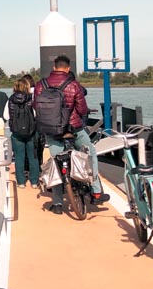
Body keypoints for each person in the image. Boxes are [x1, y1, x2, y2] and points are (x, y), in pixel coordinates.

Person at [35, 55, 110, 214]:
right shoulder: (74, 85)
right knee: (90, 152)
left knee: (56, 163)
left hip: (51, 130)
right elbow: (82, 109)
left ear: (54, 67)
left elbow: (36, 106)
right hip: (73, 128)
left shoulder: (40, 85)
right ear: (68, 68)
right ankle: (96, 190)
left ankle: (56, 204)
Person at [7, 78, 39, 188]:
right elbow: (36, 114)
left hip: (16, 132)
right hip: (31, 132)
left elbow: (6, 116)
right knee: (33, 157)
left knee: (19, 157)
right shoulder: (33, 99)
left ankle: (21, 182)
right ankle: (34, 181)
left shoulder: (10, 100)